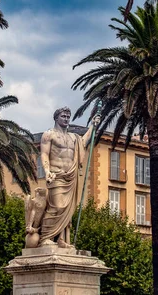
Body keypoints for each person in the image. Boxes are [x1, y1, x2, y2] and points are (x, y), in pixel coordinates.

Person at [38, 106, 99, 248]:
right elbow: (44, 154)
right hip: (56, 175)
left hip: (71, 176)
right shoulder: (49, 134)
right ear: (56, 118)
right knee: (57, 206)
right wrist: (47, 171)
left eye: (68, 117)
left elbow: (83, 143)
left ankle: (61, 240)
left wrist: (93, 126)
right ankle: (45, 237)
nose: (66, 119)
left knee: (68, 210)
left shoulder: (73, 137)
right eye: (63, 116)